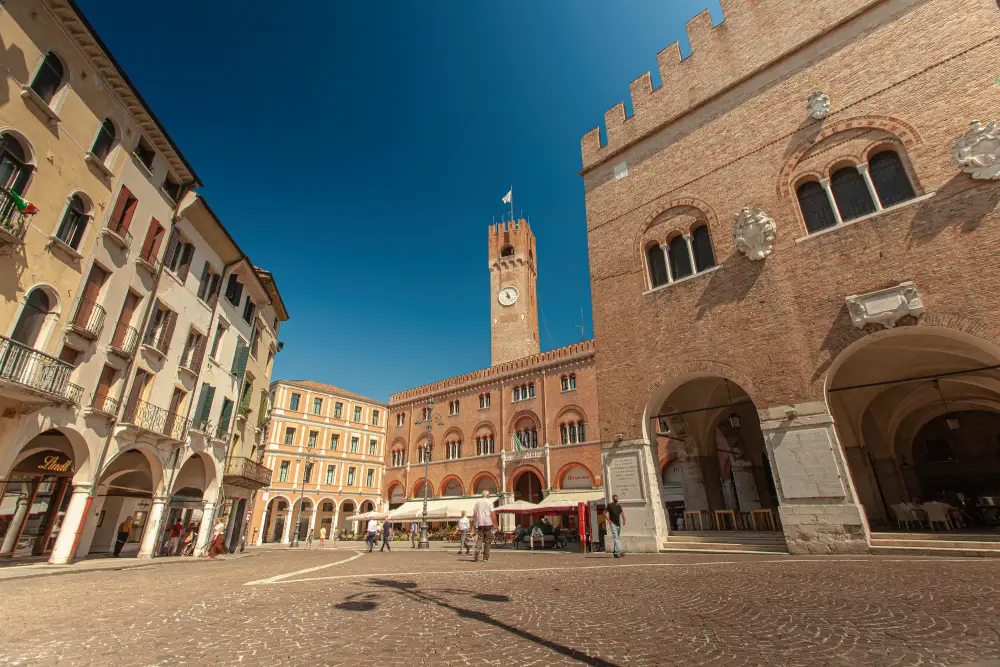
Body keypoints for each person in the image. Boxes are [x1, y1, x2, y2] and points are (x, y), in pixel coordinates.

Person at [472, 489, 494, 562]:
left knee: (480, 538)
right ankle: (485, 558)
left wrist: (473, 524)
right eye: (489, 495)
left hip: (480, 523)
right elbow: (492, 513)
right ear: (487, 495)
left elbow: (475, 514)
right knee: (487, 541)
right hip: (488, 523)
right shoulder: (490, 502)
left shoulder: (477, 502)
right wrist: (495, 523)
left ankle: (477, 549)